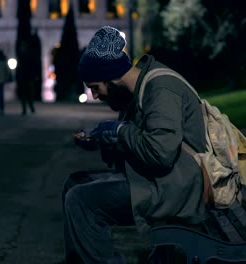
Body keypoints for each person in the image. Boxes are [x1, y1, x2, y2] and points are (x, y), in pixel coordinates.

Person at [61, 26, 208, 263]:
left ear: (111, 77)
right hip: (162, 180)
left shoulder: (160, 89)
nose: (95, 96)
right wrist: (103, 141)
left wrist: (120, 130)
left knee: (81, 201)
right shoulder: (139, 92)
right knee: (74, 183)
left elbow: (160, 154)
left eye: (95, 88)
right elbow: (136, 147)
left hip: (178, 188)